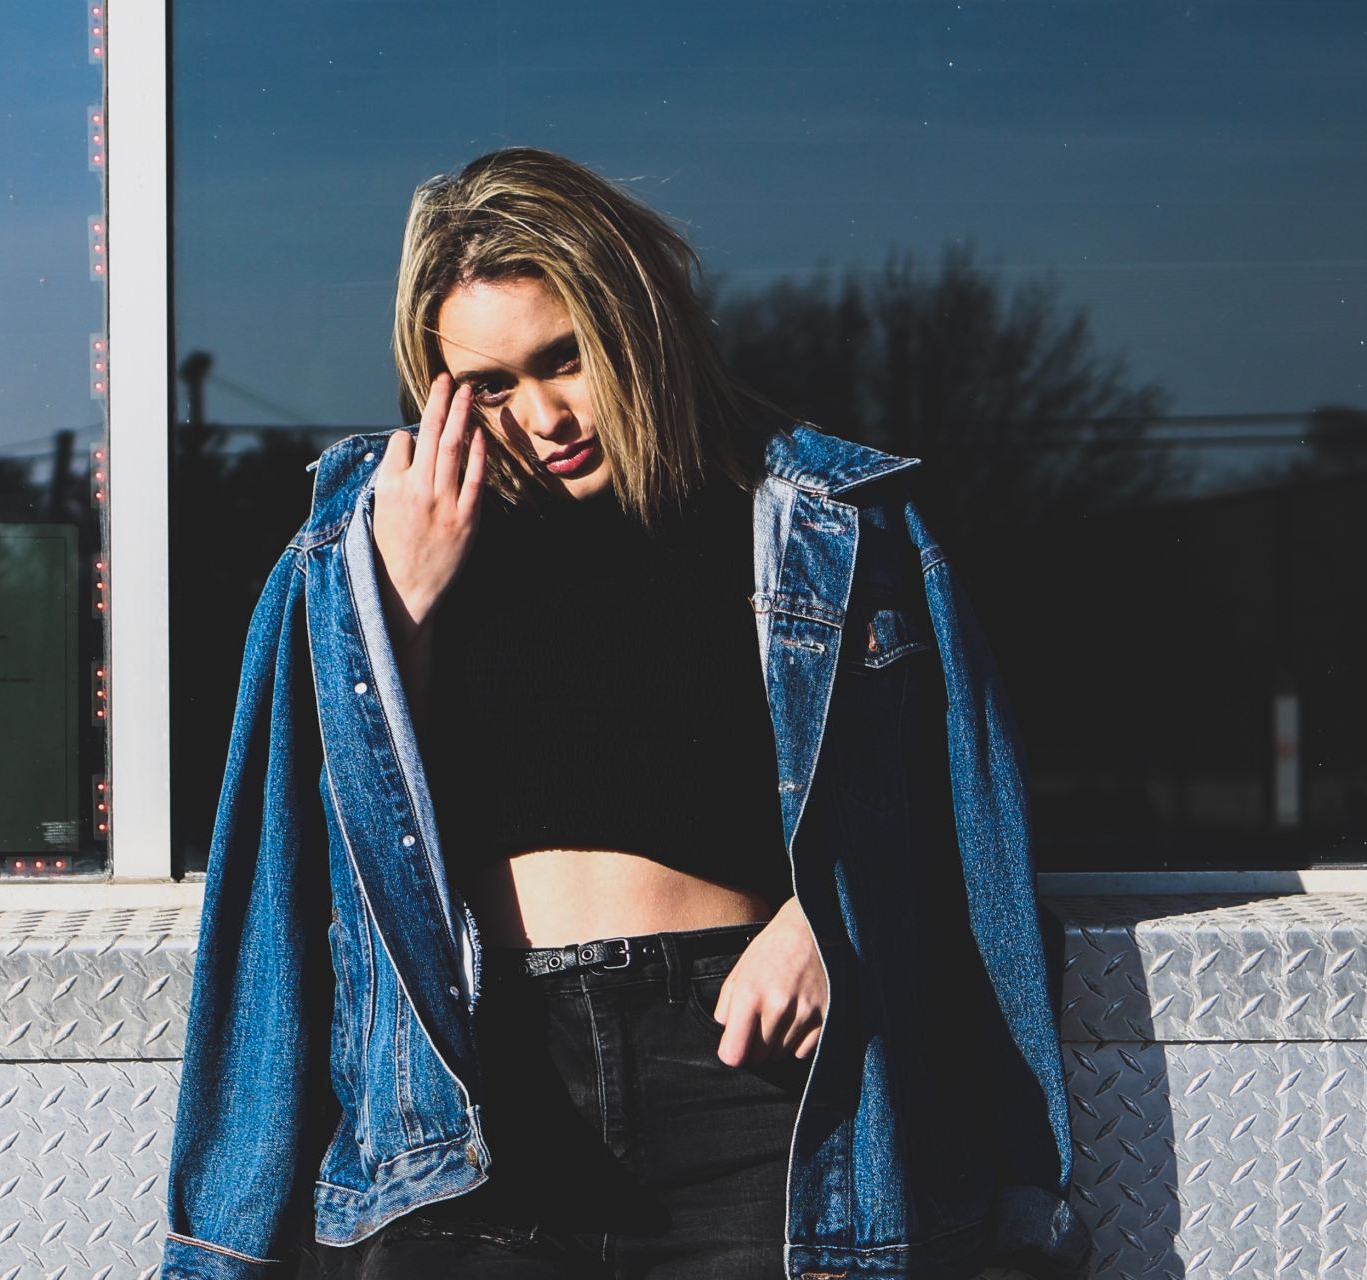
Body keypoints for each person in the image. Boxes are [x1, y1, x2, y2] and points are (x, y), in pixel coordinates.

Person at [161, 147, 1086, 1280]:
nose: (542, 415)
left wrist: (830, 920)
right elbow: (282, 877)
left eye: (566, 358)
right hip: (466, 1114)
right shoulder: (367, 547)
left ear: (635, 319)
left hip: (750, 1095)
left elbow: (971, 827)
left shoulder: (827, 523)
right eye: (490, 387)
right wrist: (395, 612)